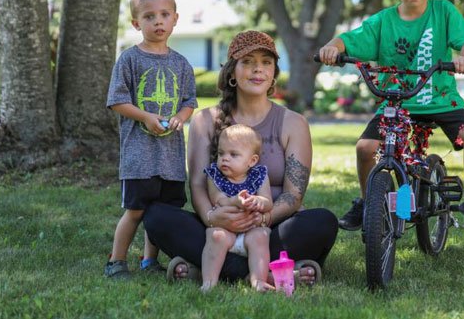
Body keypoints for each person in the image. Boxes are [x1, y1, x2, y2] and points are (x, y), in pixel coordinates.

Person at [318, 0, 464, 231]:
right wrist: (332, 47)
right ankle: (367, 202)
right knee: (365, 148)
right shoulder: (383, 21)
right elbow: (349, 39)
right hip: (397, 101)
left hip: (440, 99)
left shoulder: (443, 12)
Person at [143, 30, 338, 287]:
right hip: (217, 229)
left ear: (273, 73)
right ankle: (267, 273)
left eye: (266, 62)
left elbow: (293, 195)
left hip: (270, 228)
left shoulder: (293, 123)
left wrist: (261, 219)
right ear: (232, 72)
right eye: (247, 61)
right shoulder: (205, 121)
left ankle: (208, 269)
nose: (258, 69)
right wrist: (213, 217)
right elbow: (198, 186)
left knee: (323, 221)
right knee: (156, 216)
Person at [104, 0, 198, 278]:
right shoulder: (130, 59)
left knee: (162, 213)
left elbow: (189, 101)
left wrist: (180, 117)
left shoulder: (181, 64)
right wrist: (145, 117)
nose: (158, 21)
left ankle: (149, 261)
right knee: (136, 211)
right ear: (136, 23)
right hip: (139, 157)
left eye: (164, 14)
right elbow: (116, 100)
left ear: (175, 19)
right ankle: (116, 261)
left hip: (170, 157)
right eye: (149, 16)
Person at [201, 124, 273, 292]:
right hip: (225, 231)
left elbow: (268, 202)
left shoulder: (259, 175)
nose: (225, 159)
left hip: (251, 230)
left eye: (233, 154)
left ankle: (258, 280)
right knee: (215, 236)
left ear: (252, 161)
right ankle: (209, 282)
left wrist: (257, 201)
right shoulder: (215, 175)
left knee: (261, 236)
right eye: (221, 153)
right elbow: (218, 200)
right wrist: (235, 201)